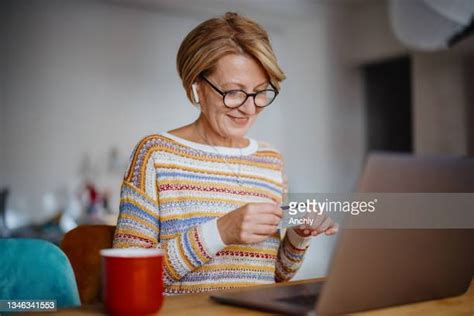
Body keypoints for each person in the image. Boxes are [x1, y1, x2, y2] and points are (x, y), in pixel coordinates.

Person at [113, 12, 338, 295]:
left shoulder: (270, 160)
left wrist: (298, 236)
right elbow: (128, 282)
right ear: (197, 87)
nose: (250, 108)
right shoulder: (155, 154)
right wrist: (219, 232)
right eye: (234, 92)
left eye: (259, 92)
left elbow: (275, 275)